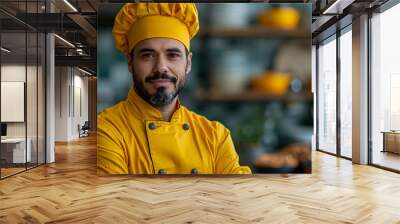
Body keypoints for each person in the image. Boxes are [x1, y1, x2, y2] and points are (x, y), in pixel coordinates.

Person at [97, 3, 251, 174]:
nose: (161, 67)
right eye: (147, 55)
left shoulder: (216, 136)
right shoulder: (106, 130)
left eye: (173, 55)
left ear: (188, 63)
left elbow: (237, 196)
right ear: (130, 63)